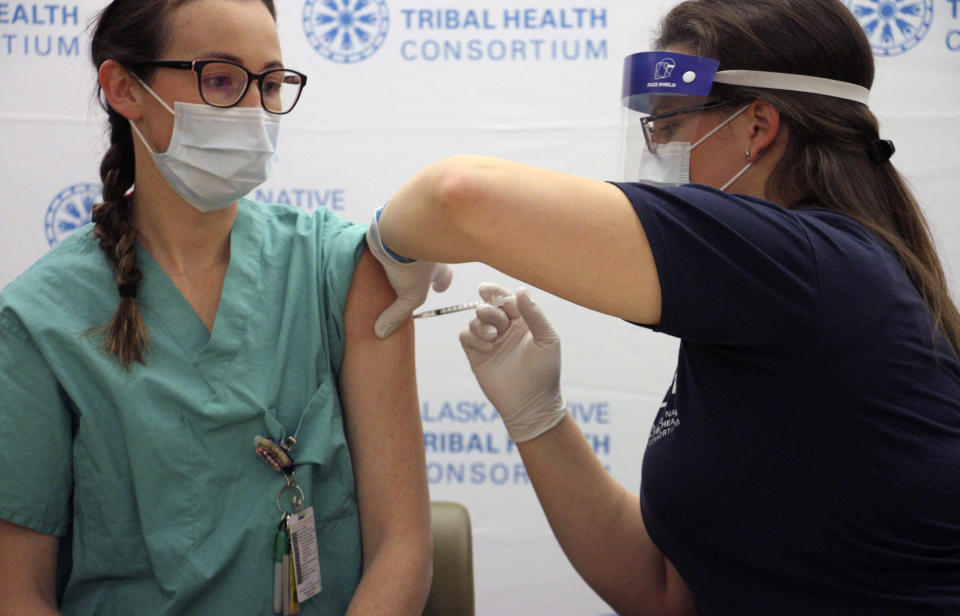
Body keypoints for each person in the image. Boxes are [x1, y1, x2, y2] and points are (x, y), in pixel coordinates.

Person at [365, 0, 960, 613]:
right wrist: (537, 418)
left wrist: (393, 242)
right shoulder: (770, 301)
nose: (656, 153)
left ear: (758, 127)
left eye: (669, 127)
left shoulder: (806, 266)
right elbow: (666, 595)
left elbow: (458, 195)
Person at [0, 1, 432, 615]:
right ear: (125, 88)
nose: (255, 112)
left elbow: (403, 547)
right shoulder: (38, 321)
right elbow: (20, 593)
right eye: (221, 80)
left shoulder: (340, 270)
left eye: (273, 83)